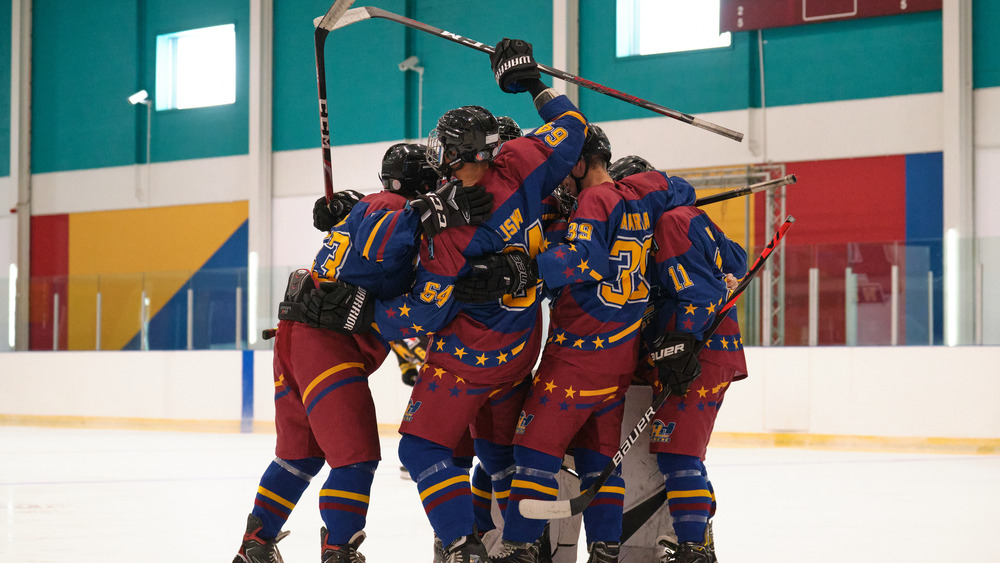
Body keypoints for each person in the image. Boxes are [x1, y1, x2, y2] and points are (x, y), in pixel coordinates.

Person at [303, 38, 588, 563]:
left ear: (455, 156)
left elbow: (424, 312)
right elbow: (573, 129)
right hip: (524, 344)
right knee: (499, 454)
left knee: (421, 447)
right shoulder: (521, 162)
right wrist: (531, 84)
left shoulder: (454, 235)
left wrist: (367, 313)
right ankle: (523, 548)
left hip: (471, 357)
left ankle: (461, 546)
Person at [233, 143, 492, 563]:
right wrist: (425, 212)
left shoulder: (374, 206)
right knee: (356, 458)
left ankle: (254, 545)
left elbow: (370, 236)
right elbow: (384, 234)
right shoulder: (391, 206)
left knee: (299, 454)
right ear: (426, 184)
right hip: (326, 344)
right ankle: (339, 550)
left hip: (299, 337)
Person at [453, 127, 697, 563]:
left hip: (576, 357)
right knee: (598, 462)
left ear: (581, 164)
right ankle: (605, 551)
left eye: (567, 171)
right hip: (618, 360)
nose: (561, 181)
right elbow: (682, 188)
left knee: (531, 452)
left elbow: (584, 258)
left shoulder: (592, 201)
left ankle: (520, 549)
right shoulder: (639, 195)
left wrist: (522, 268)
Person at [641, 199, 748, 563]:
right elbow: (739, 261)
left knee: (678, 453)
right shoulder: (695, 218)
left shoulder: (668, 223)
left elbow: (699, 294)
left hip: (698, 353)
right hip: (714, 350)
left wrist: (682, 342)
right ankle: (699, 537)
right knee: (685, 454)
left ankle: (692, 548)